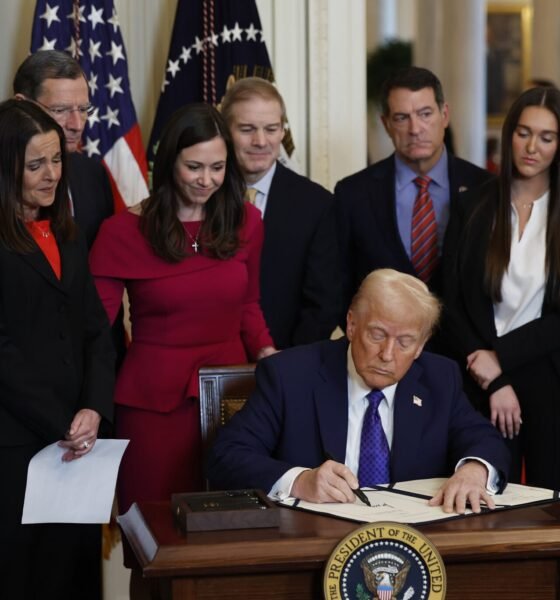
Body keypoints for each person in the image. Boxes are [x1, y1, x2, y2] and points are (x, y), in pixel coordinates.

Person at [90, 103, 275, 517]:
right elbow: (94, 328)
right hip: (152, 406)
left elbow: (249, 304)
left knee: (229, 527)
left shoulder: (248, 222)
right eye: (194, 167)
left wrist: (268, 355)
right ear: (170, 160)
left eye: (217, 167)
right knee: (152, 532)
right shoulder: (120, 232)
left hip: (230, 401)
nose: (206, 180)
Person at [208, 269, 510, 515]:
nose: (387, 354)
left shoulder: (439, 378)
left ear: (421, 345)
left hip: (413, 540)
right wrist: (300, 481)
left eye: (405, 342)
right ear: (352, 324)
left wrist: (473, 471)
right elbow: (226, 456)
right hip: (312, 539)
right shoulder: (290, 375)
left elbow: (483, 439)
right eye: (377, 335)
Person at [0, 99, 115, 599]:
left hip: (77, 445)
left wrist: (93, 407)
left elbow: (96, 330)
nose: (51, 175)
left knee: (76, 577)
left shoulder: (68, 233)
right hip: (16, 447)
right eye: (35, 164)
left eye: (56, 160)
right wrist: (60, 422)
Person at [443, 86, 560, 490]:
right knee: (486, 498)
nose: (532, 147)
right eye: (523, 132)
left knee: (551, 505)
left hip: (550, 376)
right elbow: (451, 300)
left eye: (547, 137)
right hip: (478, 377)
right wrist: (491, 375)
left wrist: (502, 358)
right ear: (509, 134)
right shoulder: (472, 205)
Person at [335, 67, 493, 323]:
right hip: (383, 351)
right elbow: (339, 284)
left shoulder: (485, 188)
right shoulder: (353, 194)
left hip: (468, 354)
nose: (415, 128)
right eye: (401, 117)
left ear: (445, 115)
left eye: (425, 114)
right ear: (386, 124)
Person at [220, 77, 341, 349]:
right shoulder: (202, 195)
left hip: (286, 359)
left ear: (282, 131)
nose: (260, 141)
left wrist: (290, 365)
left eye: (271, 129)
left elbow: (323, 302)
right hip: (209, 360)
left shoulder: (317, 204)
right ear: (226, 131)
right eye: (247, 129)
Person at [13, 50, 114, 248]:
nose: (76, 125)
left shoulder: (93, 173)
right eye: (60, 110)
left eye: (83, 110)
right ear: (22, 105)